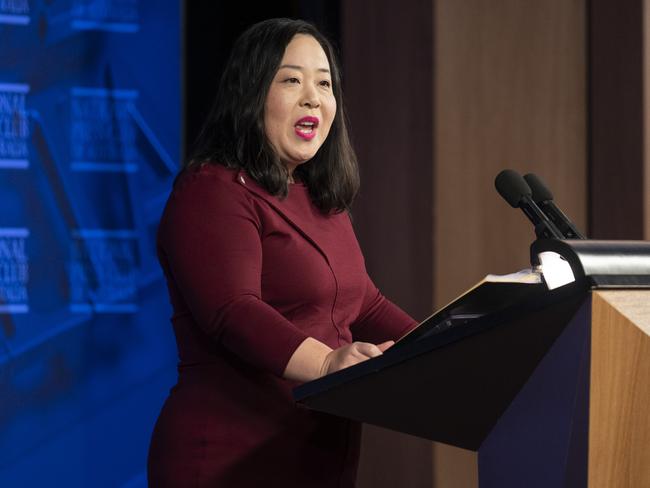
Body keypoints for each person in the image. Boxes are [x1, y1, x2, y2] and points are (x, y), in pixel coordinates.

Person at [147, 18, 418, 488]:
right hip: (230, 458)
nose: (313, 96)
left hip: (316, 455)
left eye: (325, 83)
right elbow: (234, 310)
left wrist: (443, 346)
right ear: (251, 94)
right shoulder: (211, 190)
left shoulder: (318, 197)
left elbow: (365, 304)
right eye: (291, 79)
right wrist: (328, 363)